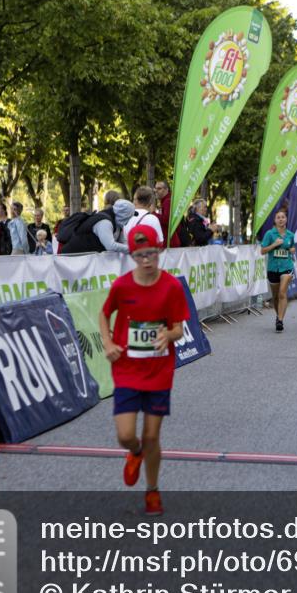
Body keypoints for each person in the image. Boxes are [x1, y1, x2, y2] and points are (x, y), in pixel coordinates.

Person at [99, 224, 190, 515]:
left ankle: (152, 491)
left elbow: (179, 328)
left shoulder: (172, 286)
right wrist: (107, 342)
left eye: (151, 253)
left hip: (159, 370)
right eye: (140, 255)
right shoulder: (122, 286)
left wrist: (168, 335)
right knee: (126, 435)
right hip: (127, 369)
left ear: (159, 250)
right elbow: (104, 314)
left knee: (152, 436)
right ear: (133, 255)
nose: (147, 261)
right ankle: (134, 453)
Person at [61, 192, 132, 254]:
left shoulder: (117, 223)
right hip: (72, 258)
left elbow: (123, 242)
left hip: (86, 259)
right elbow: (110, 246)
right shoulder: (105, 222)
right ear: (123, 215)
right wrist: (132, 249)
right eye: (128, 217)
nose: (129, 220)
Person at [260, 207, 295, 332]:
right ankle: (278, 315)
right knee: (275, 296)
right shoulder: (270, 234)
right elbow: (262, 251)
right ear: (275, 220)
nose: (281, 219)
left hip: (287, 266)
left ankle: (280, 320)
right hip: (273, 267)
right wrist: (274, 244)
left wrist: (292, 250)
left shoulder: (291, 235)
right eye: (278, 217)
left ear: (286, 219)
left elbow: (293, 248)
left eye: (283, 217)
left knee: (282, 293)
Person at [153, 181, 180, 247]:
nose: (156, 191)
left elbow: (167, 220)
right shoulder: (166, 201)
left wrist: (153, 213)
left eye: (159, 188)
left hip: (170, 242)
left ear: (166, 189)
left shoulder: (168, 201)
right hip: (170, 240)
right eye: (155, 188)